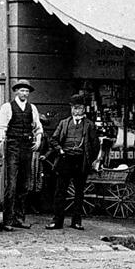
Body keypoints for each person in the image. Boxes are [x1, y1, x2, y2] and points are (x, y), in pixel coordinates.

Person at [47, 94, 101, 230]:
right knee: (60, 192)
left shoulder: (89, 125)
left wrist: (89, 160)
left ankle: (76, 221)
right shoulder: (64, 123)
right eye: (74, 108)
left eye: (80, 108)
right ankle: (57, 221)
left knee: (79, 193)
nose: (77, 111)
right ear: (71, 108)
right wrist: (60, 150)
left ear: (84, 109)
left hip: (81, 161)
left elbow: (95, 146)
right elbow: (53, 140)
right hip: (65, 160)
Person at [0, 80, 43, 230]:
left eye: (27, 91)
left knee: (24, 184)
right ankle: (8, 220)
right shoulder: (7, 107)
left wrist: (38, 140)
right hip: (13, 147)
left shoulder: (32, 108)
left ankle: (19, 219)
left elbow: (38, 127)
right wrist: (1, 150)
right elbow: (1, 129)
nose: (24, 93)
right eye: (22, 90)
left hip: (26, 148)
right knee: (12, 184)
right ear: (16, 91)